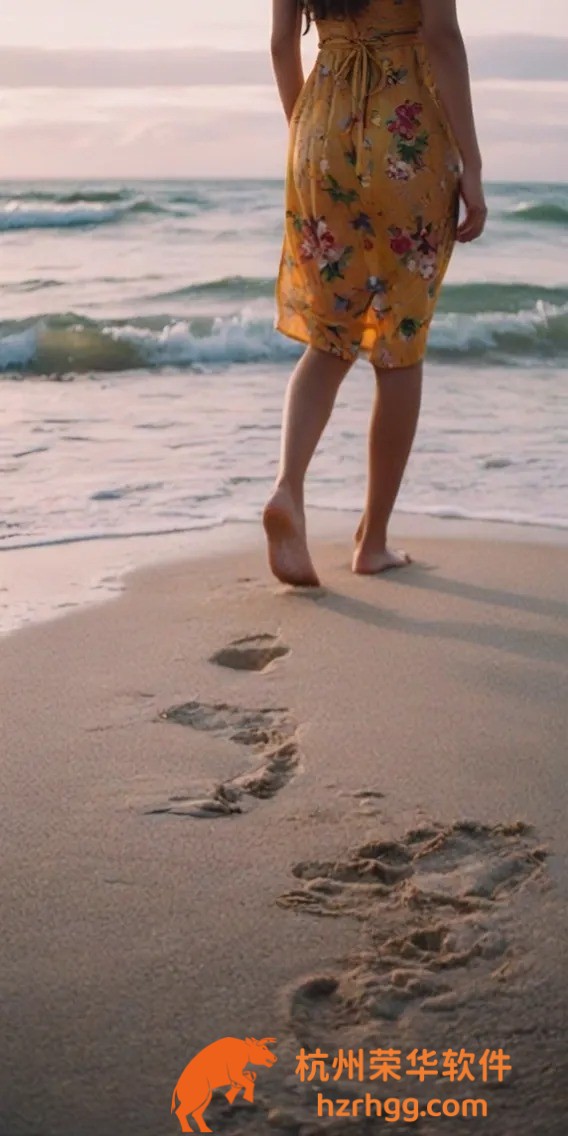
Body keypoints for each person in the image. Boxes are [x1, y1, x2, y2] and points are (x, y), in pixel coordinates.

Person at [265, 0, 487, 586]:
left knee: (329, 335)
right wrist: (473, 164)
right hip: (406, 133)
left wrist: (307, 131)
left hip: (320, 131)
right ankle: (374, 542)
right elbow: (442, 39)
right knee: (400, 341)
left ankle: (288, 488)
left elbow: (282, 44)